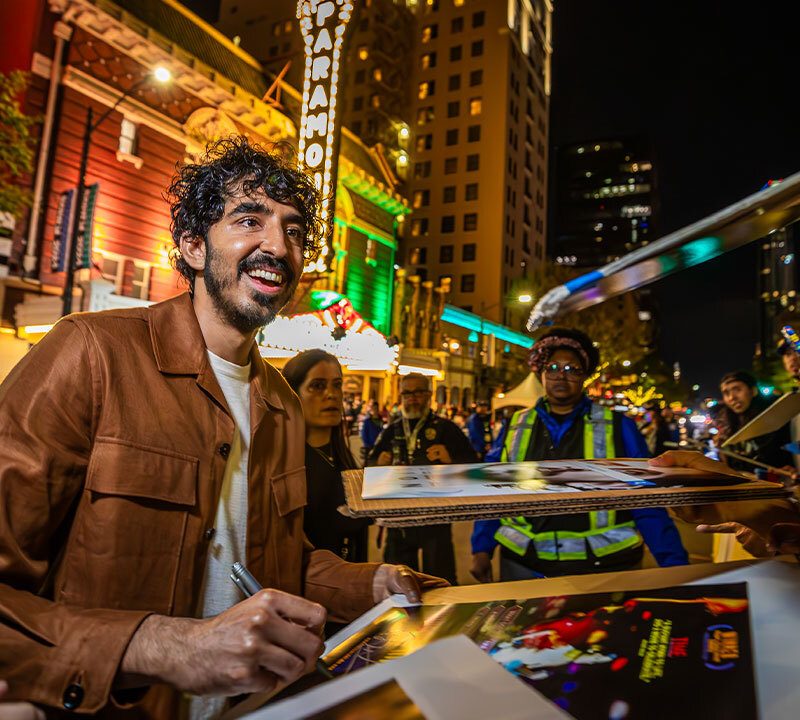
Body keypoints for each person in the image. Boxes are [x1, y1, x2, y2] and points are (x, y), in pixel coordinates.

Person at [0, 137, 443, 717]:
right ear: (190, 245)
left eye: (293, 230)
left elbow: (273, 563)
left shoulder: (282, 405)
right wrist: (159, 644)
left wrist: (374, 583)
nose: (277, 246)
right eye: (248, 219)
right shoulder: (90, 353)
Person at [470, 327, 688, 583]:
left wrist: (676, 568)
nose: (561, 376)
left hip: (604, 568)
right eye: (553, 368)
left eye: (572, 369)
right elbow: (493, 490)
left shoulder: (618, 426)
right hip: (523, 566)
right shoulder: (515, 426)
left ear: (585, 376)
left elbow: (644, 499)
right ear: (540, 372)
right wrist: (481, 548)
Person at [367, 374, 478, 584]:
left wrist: (450, 460)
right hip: (399, 518)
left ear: (428, 395)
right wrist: (377, 464)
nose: (412, 398)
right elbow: (368, 467)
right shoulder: (392, 430)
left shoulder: (446, 429)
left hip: (435, 517)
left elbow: (473, 467)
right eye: (407, 393)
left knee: (440, 580)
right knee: (398, 582)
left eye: (418, 392)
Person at [282, 350, 371, 564]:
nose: (331, 394)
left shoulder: (344, 457)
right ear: (294, 394)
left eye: (337, 385)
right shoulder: (283, 463)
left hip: (354, 581)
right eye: (318, 386)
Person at [717, 370, 792, 470]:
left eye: (737, 390)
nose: (732, 397)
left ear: (753, 391)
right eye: (726, 393)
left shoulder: (776, 417)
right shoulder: (727, 426)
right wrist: (722, 450)